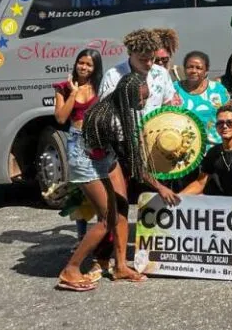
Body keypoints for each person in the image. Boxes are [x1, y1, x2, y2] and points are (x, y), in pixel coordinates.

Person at [56, 74, 179, 291]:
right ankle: (71, 269)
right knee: (107, 218)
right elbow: (134, 163)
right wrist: (159, 187)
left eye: (145, 99)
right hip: (87, 163)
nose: (142, 104)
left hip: (105, 155)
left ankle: (120, 266)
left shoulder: (120, 105)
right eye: (140, 100)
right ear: (127, 95)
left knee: (121, 208)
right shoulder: (112, 119)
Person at [53, 49, 103, 260]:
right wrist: (73, 93)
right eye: (80, 63)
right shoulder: (63, 88)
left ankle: (101, 238)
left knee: (101, 188)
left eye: (88, 65)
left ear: (95, 68)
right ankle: (81, 237)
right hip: (76, 140)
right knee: (79, 191)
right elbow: (61, 118)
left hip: (98, 141)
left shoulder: (100, 87)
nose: (83, 67)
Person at [180, 105, 232, 197]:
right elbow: (200, 183)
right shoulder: (213, 152)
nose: (224, 126)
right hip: (216, 206)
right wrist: (179, 197)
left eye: (230, 123)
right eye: (220, 123)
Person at [99, 28, 178, 112]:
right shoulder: (113, 76)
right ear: (130, 54)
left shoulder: (162, 74)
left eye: (152, 59)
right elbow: (104, 111)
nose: (149, 64)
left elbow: (168, 104)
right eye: (143, 60)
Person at [174, 51, 230, 152]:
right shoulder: (174, 89)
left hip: (215, 149)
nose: (193, 71)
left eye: (199, 68)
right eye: (189, 67)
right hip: (183, 150)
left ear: (206, 71)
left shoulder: (218, 90)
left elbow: (229, 116)